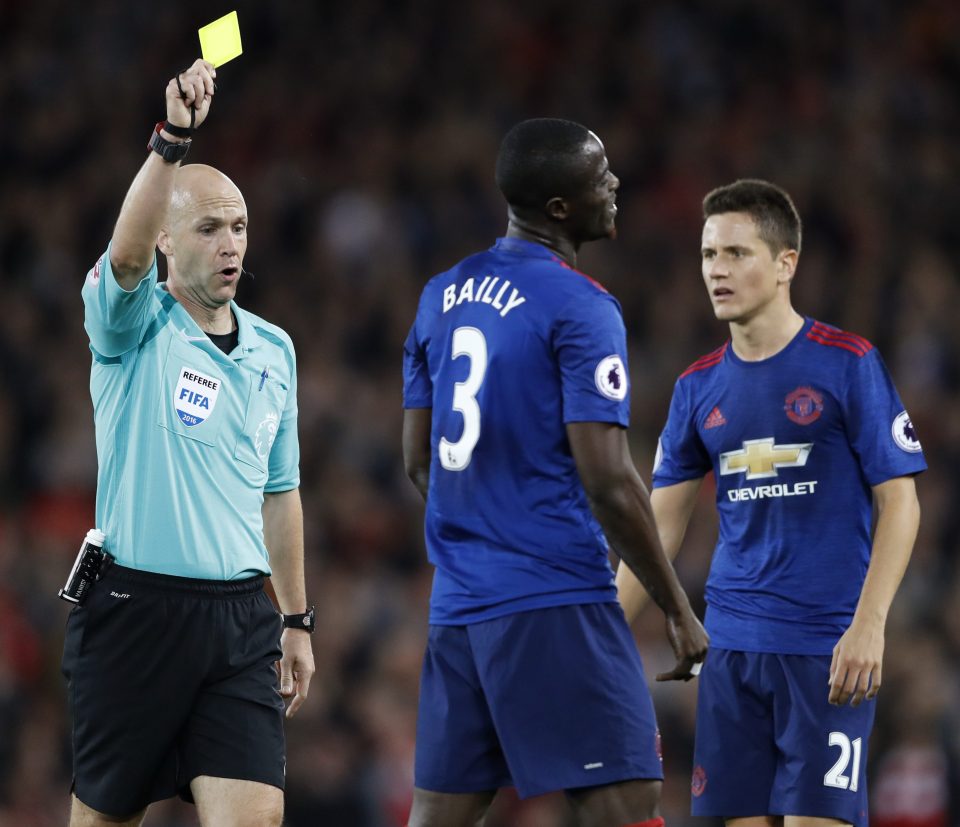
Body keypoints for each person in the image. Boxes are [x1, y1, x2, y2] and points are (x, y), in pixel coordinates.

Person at [401, 117, 709, 827]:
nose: (615, 184)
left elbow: (418, 460)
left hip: (459, 608)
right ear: (562, 209)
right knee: (628, 805)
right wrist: (676, 607)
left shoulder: (438, 296)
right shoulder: (581, 306)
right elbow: (608, 478)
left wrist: (482, 529)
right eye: (600, 176)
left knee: (438, 817)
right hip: (555, 595)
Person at [617, 179, 926, 827]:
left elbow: (900, 501)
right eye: (708, 255)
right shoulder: (696, 387)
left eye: (736, 253)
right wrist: (601, 631)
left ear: (786, 263)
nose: (717, 271)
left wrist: (869, 624)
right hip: (731, 652)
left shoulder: (847, 363)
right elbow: (657, 526)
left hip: (826, 649)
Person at [61, 59, 315, 827]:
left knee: (256, 817)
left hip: (240, 621)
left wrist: (296, 619)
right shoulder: (131, 327)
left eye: (238, 225)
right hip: (133, 613)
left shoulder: (275, 348)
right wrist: (172, 139)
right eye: (208, 228)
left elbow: (280, 490)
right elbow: (126, 260)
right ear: (168, 239)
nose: (230, 242)